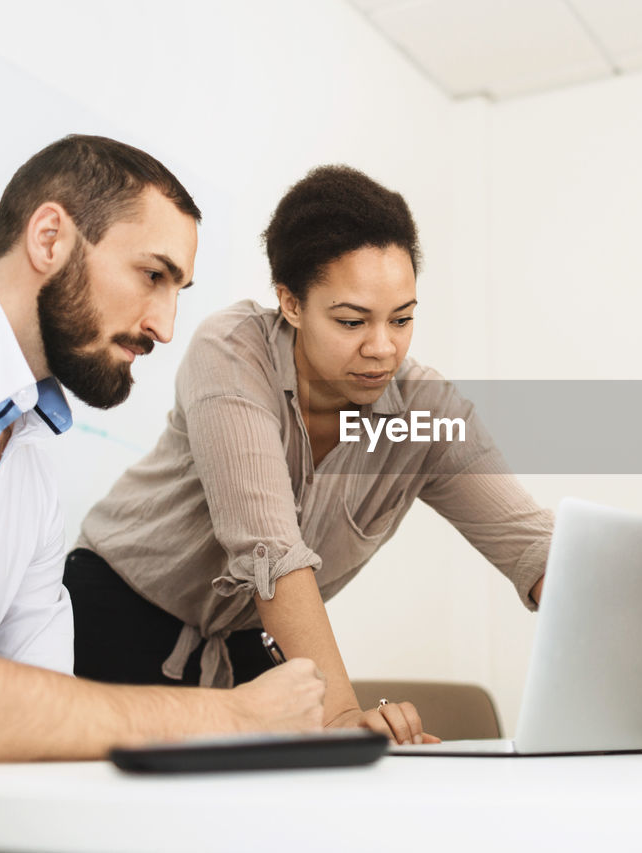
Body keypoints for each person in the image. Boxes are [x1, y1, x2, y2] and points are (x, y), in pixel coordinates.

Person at [0, 136, 326, 808]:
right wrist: (233, 718)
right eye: (152, 275)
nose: (166, 326)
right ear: (49, 238)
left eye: (179, 291)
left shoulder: (30, 464)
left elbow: (49, 721)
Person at [65, 164, 553, 744]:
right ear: (291, 303)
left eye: (403, 319)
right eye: (352, 321)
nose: (383, 348)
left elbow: (536, 548)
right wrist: (344, 718)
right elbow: (269, 550)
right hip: (119, 605)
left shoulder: (426, 415)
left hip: (249, 638)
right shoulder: (234, 351)